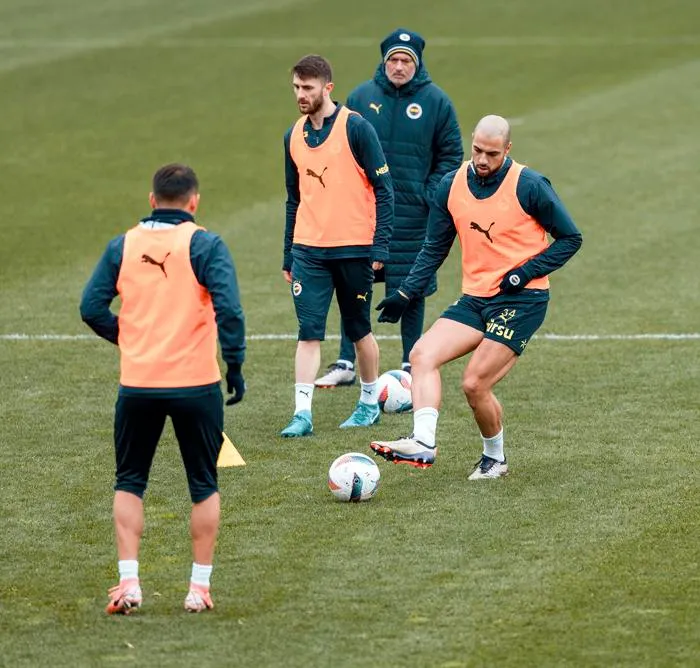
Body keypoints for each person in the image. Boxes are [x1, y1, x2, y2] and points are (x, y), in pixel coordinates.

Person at [370, 115, 582, 478]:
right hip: (476, 299)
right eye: (478, 150)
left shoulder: (529, 185)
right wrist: (405, 291)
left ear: (508, 149)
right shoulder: (451, 185)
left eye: (492, 154)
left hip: (522, 300)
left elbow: (570, 238)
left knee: (474, 383)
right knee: (421, 354)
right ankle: (423, 442)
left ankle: (495, 459)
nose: (483, 160)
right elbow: (434, 247)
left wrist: (525, 272)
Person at [80, 164, 246, 614]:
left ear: (152, 201)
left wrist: (132, 340)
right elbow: (230, 309)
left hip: (139, 385)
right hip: (196, 385)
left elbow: (91, 307)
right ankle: (198, 589)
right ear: (194, 202)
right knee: (203, 484)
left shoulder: (123, 245)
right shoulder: (206, 244)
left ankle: (129, 583)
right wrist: (235, 364)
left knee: (130, 481)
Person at [315, 28, 463, 389]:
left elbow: (451, 155)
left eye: (406, 60)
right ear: (384, 62)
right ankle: (346, 362)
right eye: (393, 60)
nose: (399, 66)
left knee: (411, 287)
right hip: (364, 213)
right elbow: (339, 146)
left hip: (414, 214)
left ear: (417, 63)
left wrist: (429, 194)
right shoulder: (361, 97)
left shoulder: (437, 102)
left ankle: (411, 364)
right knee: (353, 286)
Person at [281, 54, 394, 437]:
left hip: (354, 248)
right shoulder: (292, 136)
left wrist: (380, 247)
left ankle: (368, 403)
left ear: (327, 88)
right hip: (308, 250)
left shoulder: (356, 128)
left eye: (308, 88)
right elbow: (294, 199)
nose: (301, 94)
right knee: (308, 331)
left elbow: (385, 189)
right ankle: (302, 414)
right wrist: (288, 253)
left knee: (359, 329)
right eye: (296, 87)